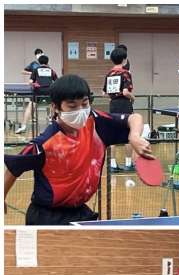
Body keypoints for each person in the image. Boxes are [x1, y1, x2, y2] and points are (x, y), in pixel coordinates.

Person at [4, 74, 153, 225]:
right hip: (47, 217)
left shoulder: (96, 123)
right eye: (72, 106)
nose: (81, 110)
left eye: (84, 103)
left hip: (80, 212)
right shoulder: (45, 142)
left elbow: (134, 118)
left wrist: (134, 136)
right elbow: (14, 167)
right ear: (55, 107)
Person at [103, 47, 136, 172]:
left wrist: (113, 96)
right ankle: (128, 163)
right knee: (128, 133)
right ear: (123, 59)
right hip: (124, 104)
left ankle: (112, 164)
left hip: (113, 105)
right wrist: (133, 98)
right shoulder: (125, 73)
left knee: (114, 134)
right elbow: (126, 92)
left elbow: (104, 92)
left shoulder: (109, 74)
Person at [16, 55, 58, 135]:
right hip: (49, 91)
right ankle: (53, 123)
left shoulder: (36, 70)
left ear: (39, 62)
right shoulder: (51, 70)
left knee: (30, 106)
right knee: (53, 105)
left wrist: (35, 84)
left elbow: (30, 82)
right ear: (47, 62)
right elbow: (57, 82)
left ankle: (23, 126)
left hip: (38, 91)